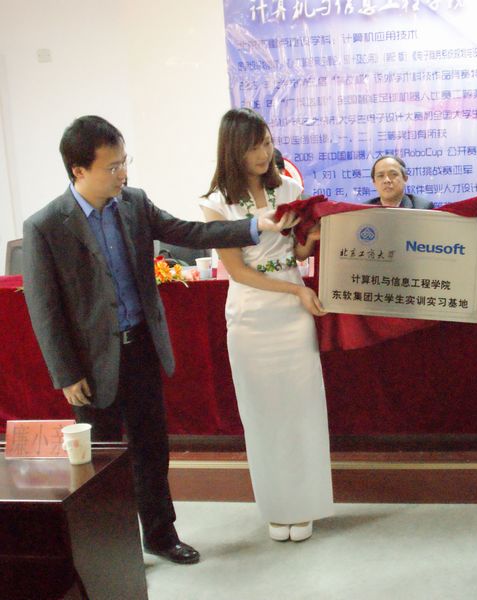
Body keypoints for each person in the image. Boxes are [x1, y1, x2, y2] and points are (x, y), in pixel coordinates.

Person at [23, 115, 284, 565]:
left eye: (125, 162)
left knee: (151, 447)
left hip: (141, 347)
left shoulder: (133, 203)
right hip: (91, 363)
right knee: (101, 464)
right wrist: (65, 372)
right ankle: (109, 551)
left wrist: (253, 226)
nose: (122, 174)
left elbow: (190, 232)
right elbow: (44, 308)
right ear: (78, 170)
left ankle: (160, 535)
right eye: (112, 167)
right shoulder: (46, 225)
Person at [199, 108, 334, 543]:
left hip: (293, 316)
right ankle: (278, 508)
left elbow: (293, 255)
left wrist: (310, 241)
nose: (263, 154)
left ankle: (305, 504)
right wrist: (295, 290)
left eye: (267, 143)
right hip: (251, 315)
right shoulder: (216, 203)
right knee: (262, 414)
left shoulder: (289, 187)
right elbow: (239, 271)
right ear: (233, 149)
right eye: (253, 146)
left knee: (301, 409)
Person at [365, 155, 434, 208]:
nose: (387, 180)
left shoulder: (422, 207)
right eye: (380, 176)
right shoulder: (365, 210)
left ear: (405, 178)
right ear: (374, 182)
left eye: (393, 174)